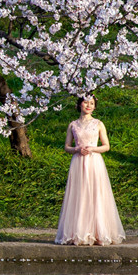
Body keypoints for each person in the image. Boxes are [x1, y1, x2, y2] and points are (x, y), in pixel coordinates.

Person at [55, 95, 125, 245]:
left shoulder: (99, 124)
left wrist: (93, 148)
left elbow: (106, 146)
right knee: (79, 196)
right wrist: (77, 148)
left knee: (96, 194)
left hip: (94, 162)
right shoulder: (72, 125)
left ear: (94, 107)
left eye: (92, 103)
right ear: (80, 104)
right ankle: (79, 233)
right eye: (86, 102)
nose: (88, 105)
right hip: (78, 162)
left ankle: (99, 233)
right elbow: (66, 147)